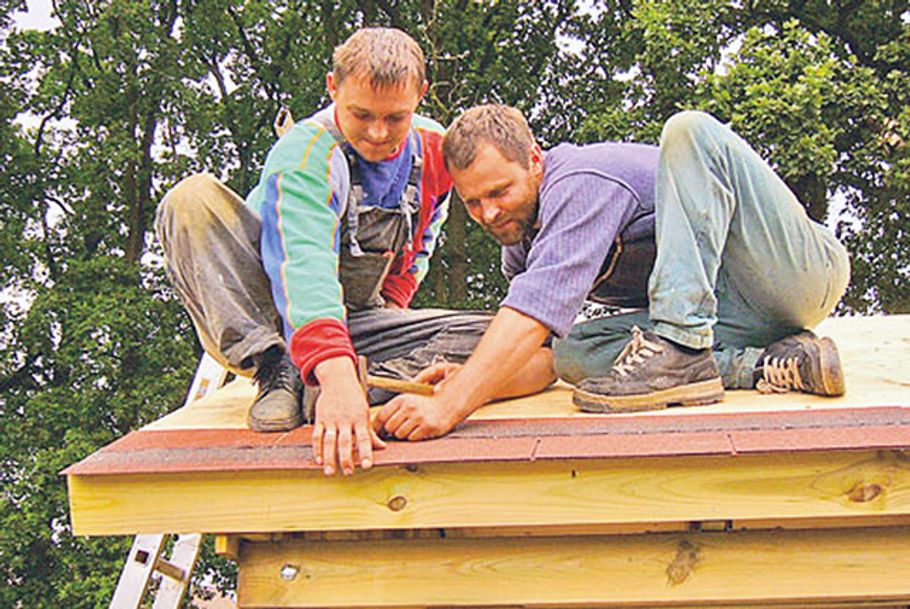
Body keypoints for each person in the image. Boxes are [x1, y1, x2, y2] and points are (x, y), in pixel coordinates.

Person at [156, 32, 553, 476]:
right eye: (361, 115)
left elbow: (421, 239)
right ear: (333, 87)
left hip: (353, 320)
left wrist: (390, 315)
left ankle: (371, 378)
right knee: (190, 199)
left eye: (395, 118)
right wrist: (334, 372)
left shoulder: (435, 149)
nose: (378, 133)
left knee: (512, 340)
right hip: (276, 313)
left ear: (420, 95)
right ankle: (279, 369)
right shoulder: (306, 154)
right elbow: (304, 266)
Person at [373, 104, 850, 440]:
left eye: (499, 192)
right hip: (731, 320)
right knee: (575, 350)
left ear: (535, 160)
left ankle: (682, 344)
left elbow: (532, 313)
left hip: (794, 273)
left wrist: (449, 407)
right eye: (473, 202)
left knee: (692, 130)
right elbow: (541, 359)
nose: (489, 213)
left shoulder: (580, 181)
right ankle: (766, 365)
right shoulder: (520, 243)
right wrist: (468, 382)